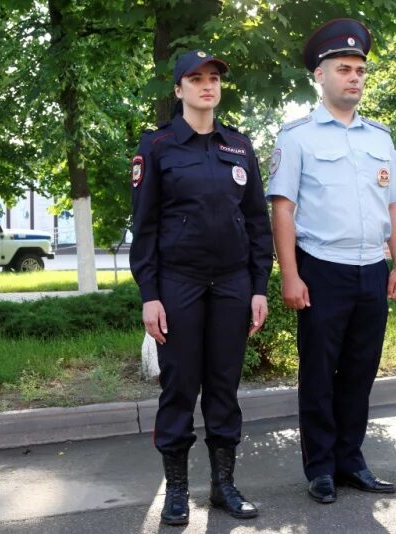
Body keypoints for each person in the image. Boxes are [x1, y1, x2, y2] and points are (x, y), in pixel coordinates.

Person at [268, 18, 396, 504]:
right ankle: (321, 468)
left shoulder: (381, 138)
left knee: (360, 372)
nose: (355, 77)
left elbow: (395, 207)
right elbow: (282, 209)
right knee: (319, 373)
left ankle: (352, 460)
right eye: (344, 69)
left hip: (372, 268)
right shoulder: (297, 137)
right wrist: (290, 274)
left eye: (360, 70)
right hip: (321, 268)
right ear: (320, 77)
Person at [129, 49, 273, 525]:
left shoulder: (239, 146)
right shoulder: (158, 146)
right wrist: (150, 294)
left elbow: (256, 221)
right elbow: (144, 227)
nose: (207, 85)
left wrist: (258, 287)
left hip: (232, 283)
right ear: (178, 90)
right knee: (179, 386)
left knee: (224, 387)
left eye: (213, 78)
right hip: (179, 284)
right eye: (196, 79)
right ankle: (176, 491)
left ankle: (225, 487)